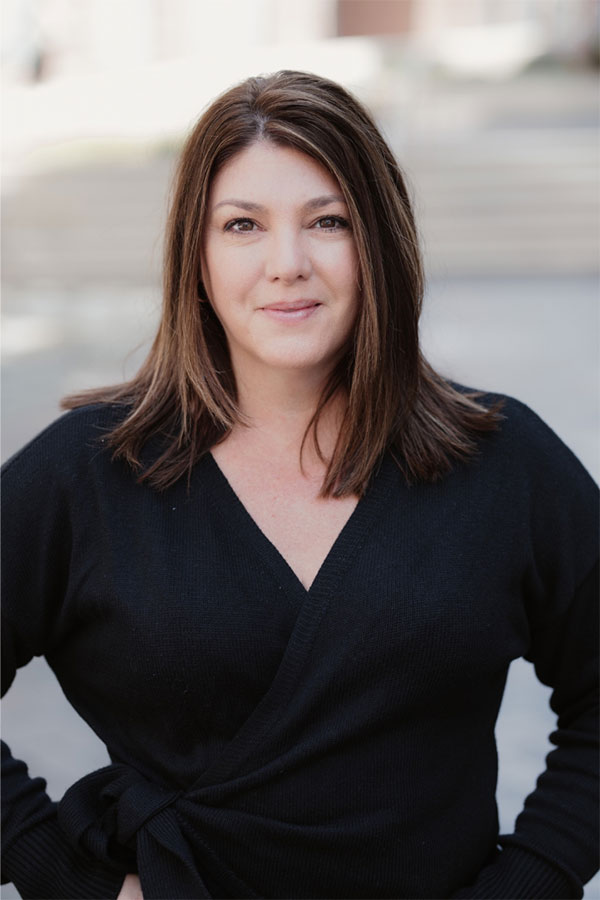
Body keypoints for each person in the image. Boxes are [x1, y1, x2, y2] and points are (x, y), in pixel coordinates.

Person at [1, 70, 597, 900]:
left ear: (379, 244)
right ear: (197, 257)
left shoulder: (500, 461)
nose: (288, 264)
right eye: (242, 225)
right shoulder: (88, 475)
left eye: (328, 221)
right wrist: (62, 874)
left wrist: (530, 883)